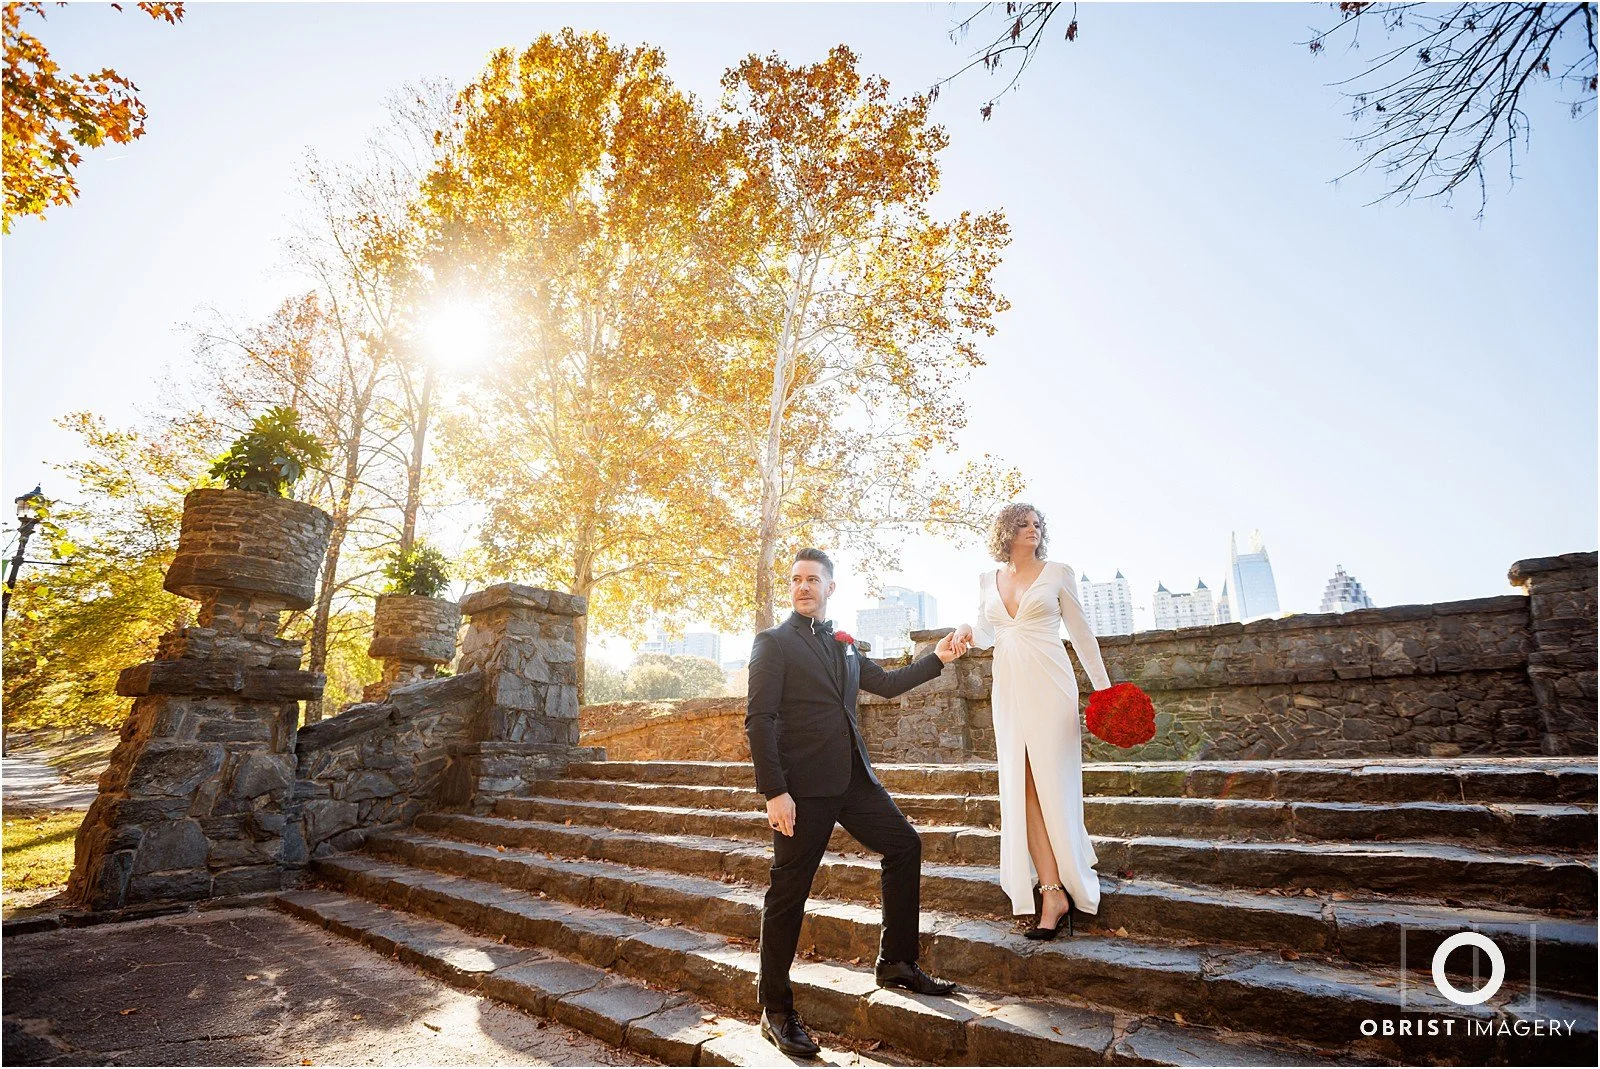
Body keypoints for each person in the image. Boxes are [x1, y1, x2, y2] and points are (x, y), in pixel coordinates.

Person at [746, 547, 969, 1058]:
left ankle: (897, 963)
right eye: (797, 579)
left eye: (813, 579)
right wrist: (774, 791)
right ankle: (775, 1010)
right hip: (802, 790)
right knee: (788, 894)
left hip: (854, 780)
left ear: (830, 587)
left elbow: (886, 686)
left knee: (905, 846)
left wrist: (940, 657)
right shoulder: (773, 644)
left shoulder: (843, 644)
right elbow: (759, 720)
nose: (803, 586)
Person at [952, 503, 1113, 940]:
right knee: (1021, 788)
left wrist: (1105, 690)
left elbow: (1081, 633)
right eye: (1023, 523)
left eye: (1037, 523)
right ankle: (1052, 889)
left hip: (1050, 682)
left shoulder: (1058, 572)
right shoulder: (989, 580)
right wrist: (968, 626)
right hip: (1008, 686)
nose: (1033, 529)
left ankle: (1069, 872)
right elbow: (988, 632)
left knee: (1051, 783)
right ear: (1005, 531)